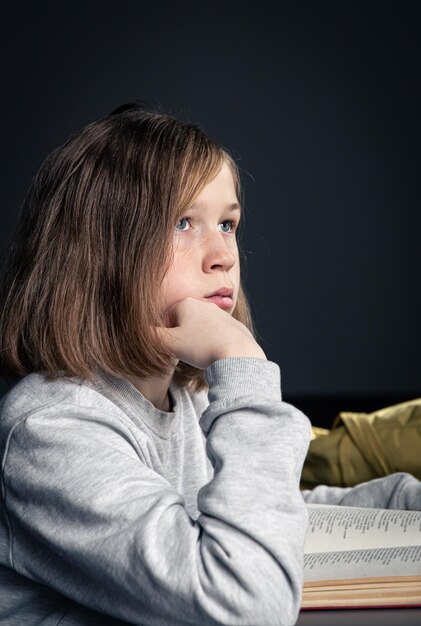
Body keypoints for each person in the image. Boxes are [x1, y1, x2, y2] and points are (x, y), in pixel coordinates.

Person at [0, 102, 419, 626]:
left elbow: (267, 510)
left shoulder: (186, 397)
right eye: (182, 223)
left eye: (227, 223)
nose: (222, 253)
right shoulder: (52, 432)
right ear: (99, 251)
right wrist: (241, 364)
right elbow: (248, 605)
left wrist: (404, 501)